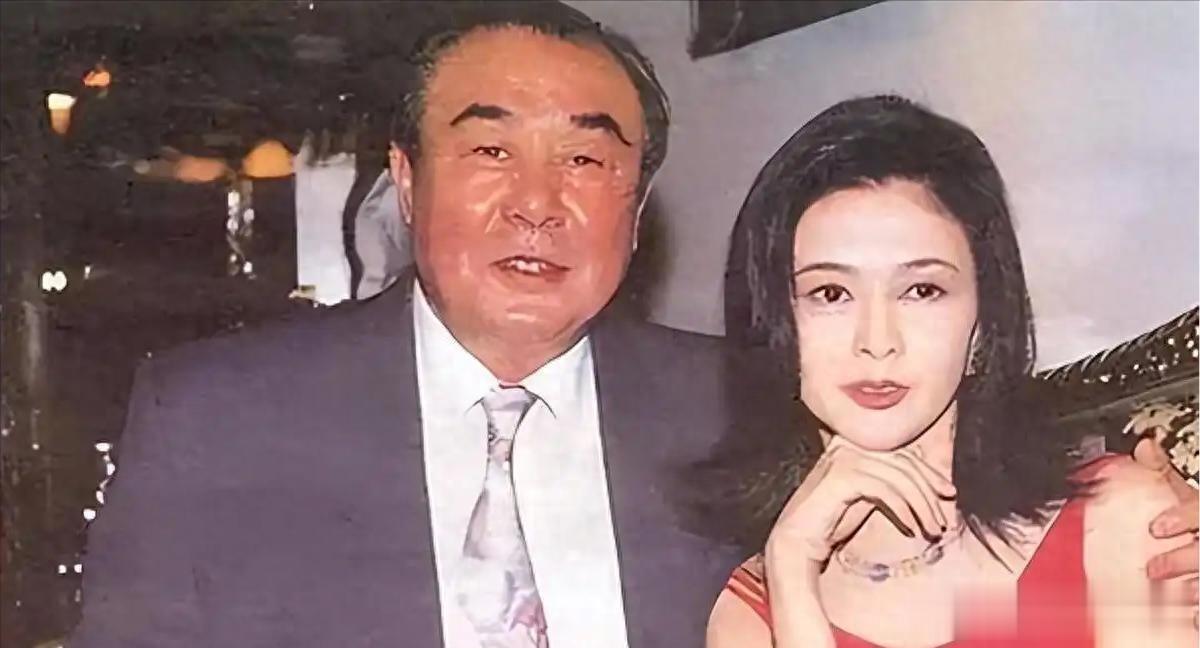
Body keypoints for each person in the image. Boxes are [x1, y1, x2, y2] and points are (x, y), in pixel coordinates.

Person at [69, 3, 765, 646]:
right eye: (491, 151)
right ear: (406, 181)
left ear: (636, 207)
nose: (536, 204)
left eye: (584, 159)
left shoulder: (746, 414)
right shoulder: (215, 420)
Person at [702, 95, 1198, 647]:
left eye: (922, 290)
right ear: (774, 322)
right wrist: (793, 575)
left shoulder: (1119, 520)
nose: (877, 341)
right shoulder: (753, 608)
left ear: (983, 318)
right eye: (831, 293)